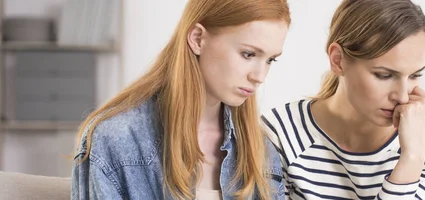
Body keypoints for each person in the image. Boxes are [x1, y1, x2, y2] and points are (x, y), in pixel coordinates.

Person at [71, 0, 290, 199]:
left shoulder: (260, 150)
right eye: (248, 54)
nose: (259, 76)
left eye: (270, 60)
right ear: (197, 39)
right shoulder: (116, 140)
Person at [261, 0, 425, 199]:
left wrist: (412, 157)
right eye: (384, 75)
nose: (402, 96)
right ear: (338, 60)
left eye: (414, 75)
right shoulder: (277, 133)